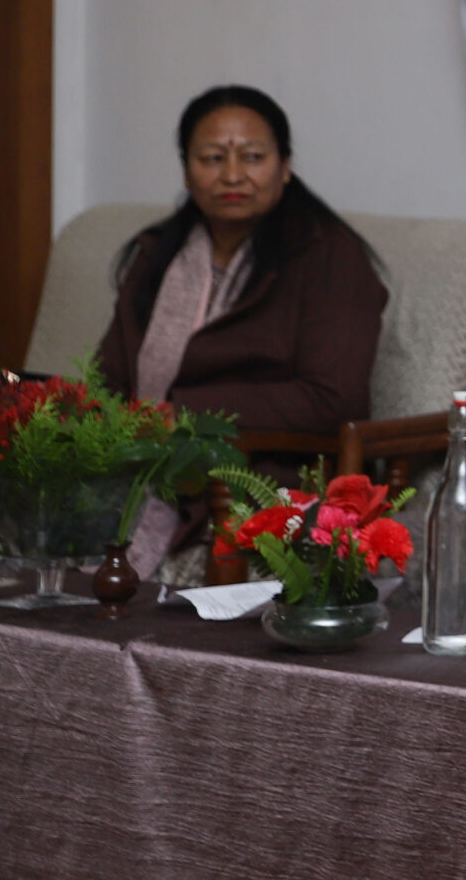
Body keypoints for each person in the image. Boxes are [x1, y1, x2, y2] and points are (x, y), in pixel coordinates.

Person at [96, 86, 387, 575]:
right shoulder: (156, 254)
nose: (232, 175)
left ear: (285, 166)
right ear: (186, 170)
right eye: (212, 158)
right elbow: (109, 378)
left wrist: (188, 416)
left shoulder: (329, 257)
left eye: (253, 157)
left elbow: (335, 397)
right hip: (140, 462)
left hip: (254, 476)